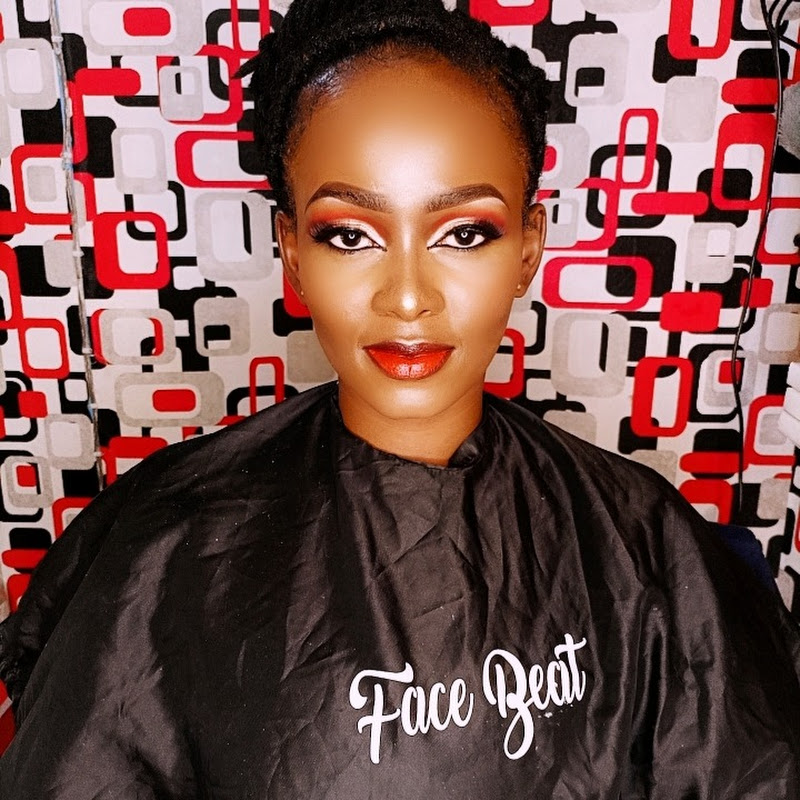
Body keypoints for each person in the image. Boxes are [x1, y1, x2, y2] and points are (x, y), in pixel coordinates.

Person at [1, 0, 799, 796]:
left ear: (529, 247)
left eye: (465, 233)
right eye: (350, 234)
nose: (409, 297)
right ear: (291, 252)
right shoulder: (168, 549)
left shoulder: (642, 543)